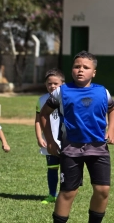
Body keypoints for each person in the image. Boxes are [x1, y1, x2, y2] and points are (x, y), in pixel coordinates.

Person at [40, 50, 114, 223]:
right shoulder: (61, 92)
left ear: (93, 72)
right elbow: (44, 114)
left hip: (98, 147)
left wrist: (111, 129)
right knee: (68, 192)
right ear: (72, 69)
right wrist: (50, 140)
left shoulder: (102, 92)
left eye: (86, 67)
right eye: (76, 66)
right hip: (71, 148)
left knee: (103, 190)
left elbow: (112, 108)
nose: (80, 70)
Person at [34, 68, 65, 204]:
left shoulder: (68, 98)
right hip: (49, 140)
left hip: (66, 140)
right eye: (49, 84)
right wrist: (39, 137)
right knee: (52, 168)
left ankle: (65, 195)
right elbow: (38, 120)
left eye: (55, 83)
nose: (52, 86)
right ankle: (52, 194)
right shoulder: (41, 100)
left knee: (67, 170)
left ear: (62, 84)